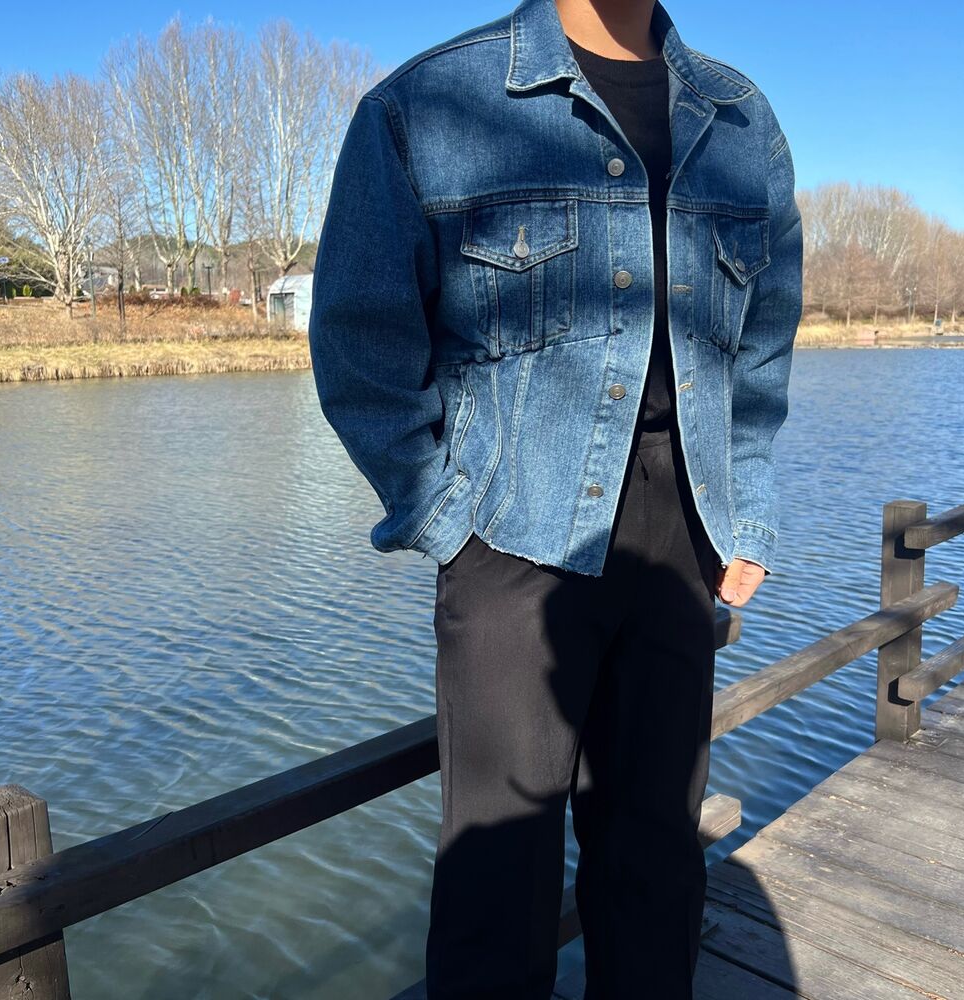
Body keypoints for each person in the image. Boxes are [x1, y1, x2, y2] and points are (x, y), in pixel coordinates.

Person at [308, 0, 803, 996]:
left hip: (681, 539)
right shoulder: (427, 106)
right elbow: (361, 346)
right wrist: (446, 520)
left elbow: (761, 341)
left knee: (656, 862)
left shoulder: (740, 119)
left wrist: (743, 507)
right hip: (510, 535)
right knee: (497, 886)